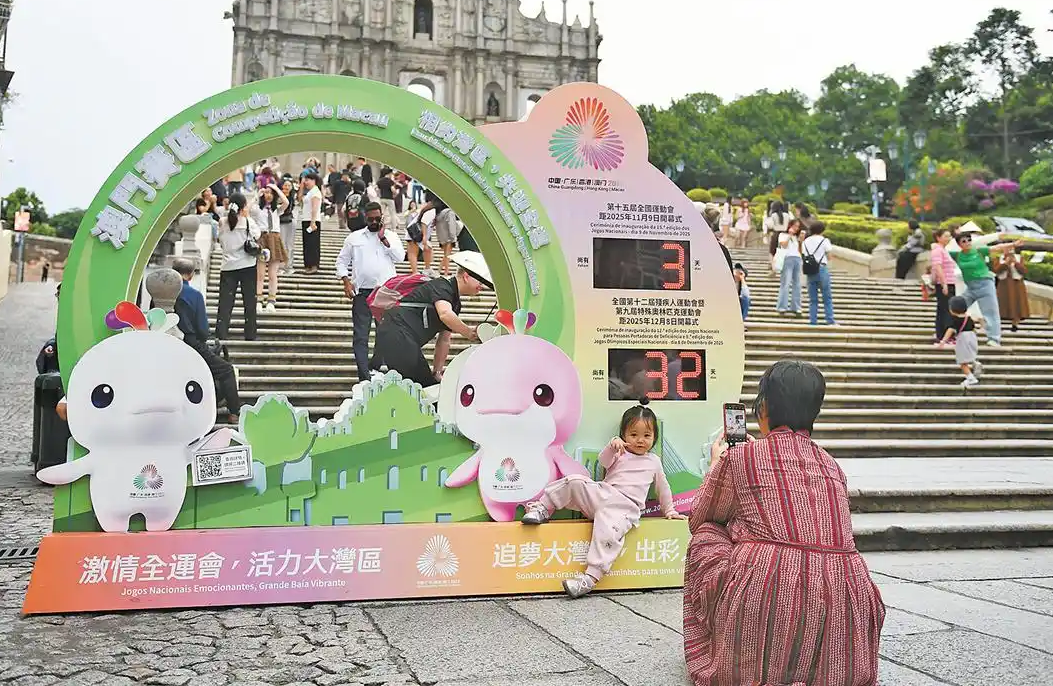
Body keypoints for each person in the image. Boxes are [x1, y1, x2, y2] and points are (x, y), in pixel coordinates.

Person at [683, 360, 885, 686]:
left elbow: (699, 517)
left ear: (762, 408)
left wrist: (717, 464)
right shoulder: (832, 466)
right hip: (845, 606)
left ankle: (740, 657)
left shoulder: (740, 458)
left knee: (707, 535)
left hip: (768, 591)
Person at [521, 400, 682, 598]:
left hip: (624, 509)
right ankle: (543, 508)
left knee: (608, 533)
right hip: (603, 494)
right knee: (576, 481)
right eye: (634, 435)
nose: (640, 440)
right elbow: (603, 461)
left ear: (654, 437)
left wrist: (670, 510)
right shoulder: (619, 453)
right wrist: (612, 447)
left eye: (647, 435)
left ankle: (589, 579)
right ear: (624, 435)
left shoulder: (654, 461)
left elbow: (662, 488)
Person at [372, 252, 490, 387]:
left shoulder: (455, 303)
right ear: (466, 276)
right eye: (480, 281)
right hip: (396, 332)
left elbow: (444, 340)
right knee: (420, 386)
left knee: (424, 385)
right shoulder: (442, 286)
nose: (482, 286)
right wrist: (468, 332)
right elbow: (445, 314)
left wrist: (437, 371)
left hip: (405, 339)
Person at [336, 202, 405, 381]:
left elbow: (400, 257)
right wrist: (346, 281)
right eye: (370, 218)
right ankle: (364, 376)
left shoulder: (391, 236)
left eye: (377, 218)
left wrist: (384, 240)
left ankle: (375, 365)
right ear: (365, 217)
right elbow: (342, 262)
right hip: (363, 293)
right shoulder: (354, 238)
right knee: (361, 335)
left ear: (382, 217)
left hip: (385, 292)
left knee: (385, 334)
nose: (374, 221)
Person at [173, 258, 242, 424]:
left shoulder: (162, 291)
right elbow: (202, 329)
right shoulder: (194, 295)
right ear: (190, 275)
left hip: (170, 342)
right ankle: (234, 412)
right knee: (226, 370)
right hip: (191, 343)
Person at [949, 231, 1021, 347]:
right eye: (964, 241)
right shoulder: (957, 255)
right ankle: (957, 332)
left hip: (985, 284)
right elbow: (942, 252)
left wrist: (1013, 244)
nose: (967, 243)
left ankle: (994, 339)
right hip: (971, 287)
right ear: (959, 244)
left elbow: (997, 248)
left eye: (969, 240)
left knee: (990, 312)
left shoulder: (978, 251)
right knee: (956, 306)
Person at [215, 192, 260, 342]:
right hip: (247, 265)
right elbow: (257, 235)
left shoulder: (222, 222)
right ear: (243, 207)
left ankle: (221, 333)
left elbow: (220, 241)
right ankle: (250, 334)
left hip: (228, 266)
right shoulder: (247, 222)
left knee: (226, 302)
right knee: (249, 301)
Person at [254, 183, 290, 311]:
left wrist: (276, 189)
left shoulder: (276, 209)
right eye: (266, 192)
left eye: (271, 193)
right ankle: (258, 300)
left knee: (273, 274)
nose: (268, 195)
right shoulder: (258, 209)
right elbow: (247, 208)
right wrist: (257, 195)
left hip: (274, 239)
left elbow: (286, 202)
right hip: (262, 239)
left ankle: (271, 301)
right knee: (260, 274)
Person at [936, 295, 984, 388]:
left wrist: (943, 342)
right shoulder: (968, 318)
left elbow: (950, 330)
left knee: (962, 362)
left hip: (963, 339)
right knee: (969, 354)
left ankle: (971, 378)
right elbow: (976, 325)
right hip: (972, 337)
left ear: (952, 309)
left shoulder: (955, 320)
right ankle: (975, 363)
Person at [802, 220, 836, 325]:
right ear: (822, 230)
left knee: (813, 299)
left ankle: (813, 321)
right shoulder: (824, 240)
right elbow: (829, 257)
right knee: (827, 297)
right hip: (821, 269)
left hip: (810, 270)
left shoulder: (805, 241)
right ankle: (830, 320)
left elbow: (803, 254)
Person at [929, 228, 958, 342]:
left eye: (949, 236)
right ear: (938, 237)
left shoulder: (943, 250)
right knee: (946, 310)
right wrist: (944, 283)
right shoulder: (937, 250)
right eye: (946, 236)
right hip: (945, 283)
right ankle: (946, 335)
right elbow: (938, 267)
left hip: (949, 282)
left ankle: (941, 335)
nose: (948, 238)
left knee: (943, 309)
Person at [993, 242, 1030, 332]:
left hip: (1017, 284)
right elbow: (996, 270)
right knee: (1002, 304)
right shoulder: (998, 258)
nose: (1009, 250)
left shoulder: (1019, 258)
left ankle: (1015, 324)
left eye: (1011, 248)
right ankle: (999, 325)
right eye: (1007, 248)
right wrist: (1005, 264)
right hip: (1003, 284)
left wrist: (1016, 263)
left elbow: (1024, 271)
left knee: (1017, 304)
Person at [776, 218, 802, 316]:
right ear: (790, 225)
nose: (796, 228)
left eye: (798, 227)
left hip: (797, 259)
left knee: (797, 284)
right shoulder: (783, 235)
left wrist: (801, 241)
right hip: (787, 259)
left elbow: (800, 251)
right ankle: (782, 307)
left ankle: (796, 307)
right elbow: (784, 245)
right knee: (785, 283)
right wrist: (789, 235)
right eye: (795, 226)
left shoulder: (796, 238)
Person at [299, 172, 323, 274]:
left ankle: (314, 265)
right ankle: (308, 265)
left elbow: (315, 208)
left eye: (307, 180)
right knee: (307, 244)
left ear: (314, 180)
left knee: (313, 244)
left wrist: (313, 222)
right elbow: (300, 199)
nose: (306, 182)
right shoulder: (309, 192)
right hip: (306, 220)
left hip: (312, 221)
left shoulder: (315, 192)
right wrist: (301, 185)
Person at [764, 201, 790, 275]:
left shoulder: (774, 215)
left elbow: (770, 225)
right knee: (783, 252)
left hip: (776, 234)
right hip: (785, 234)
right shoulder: (787, 215)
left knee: (772, 252)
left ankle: (773, 268)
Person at [278, 179, 298, 274]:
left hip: (290, 221)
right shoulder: (278, 197)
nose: (286, 187)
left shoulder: (292, 197)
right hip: (280, 222)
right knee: (281, 244)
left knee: (290, 245)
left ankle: (289, 266)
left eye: (289, 185)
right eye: (285, 185)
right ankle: (281, 266)